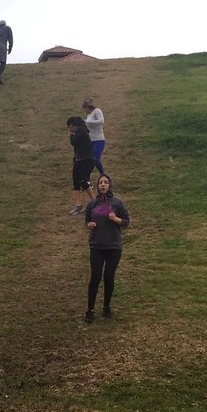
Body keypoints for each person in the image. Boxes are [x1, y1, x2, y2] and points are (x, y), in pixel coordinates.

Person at [83, 174, 131, 323]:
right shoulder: (92, 204)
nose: (103, 185)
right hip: (96, 246)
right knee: (95, 277)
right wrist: (89, 225)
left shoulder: (118, 203)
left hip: (113, 247)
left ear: (110, 185)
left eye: (105, 182)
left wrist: (116, 219)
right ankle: (90, 310)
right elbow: (87, 221)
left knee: (109, 277)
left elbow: (126, 221)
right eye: (100, 183)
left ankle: (106, 307)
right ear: (97, 186)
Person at [67, 116, 96, 216]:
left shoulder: (81, 130)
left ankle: (95, 202)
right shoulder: (80, 131)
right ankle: (78, 205)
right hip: (78, 160)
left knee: (83, 181)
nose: (69, 129)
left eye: (69, 126)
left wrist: (71, 134)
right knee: (76, 182)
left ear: (72, 125)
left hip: (87, 160)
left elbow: (73, 142)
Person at [83, 97, 106, 176]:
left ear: (87, 107)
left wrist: (89, 122)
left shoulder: (97, 111)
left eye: (84, 108)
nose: (84, 110)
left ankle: (103, 174)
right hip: (91, 140)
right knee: (90, 159)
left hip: (99, 139)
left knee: (95, 158)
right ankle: (87, 175)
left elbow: (101, 121)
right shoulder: (89, 116)